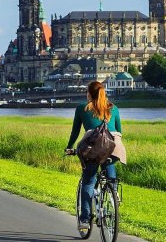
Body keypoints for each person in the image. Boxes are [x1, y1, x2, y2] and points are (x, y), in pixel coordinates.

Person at [65, 81, 126, 230]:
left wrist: (69, 147)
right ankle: (113, 193)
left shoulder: (82, 108)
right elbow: (119, 131)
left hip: (93, 149)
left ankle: (85, 220)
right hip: (114, 147)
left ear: (89, 94)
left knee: (88, 182)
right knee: (110, 173)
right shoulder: (114, 108)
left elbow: (75, 132)